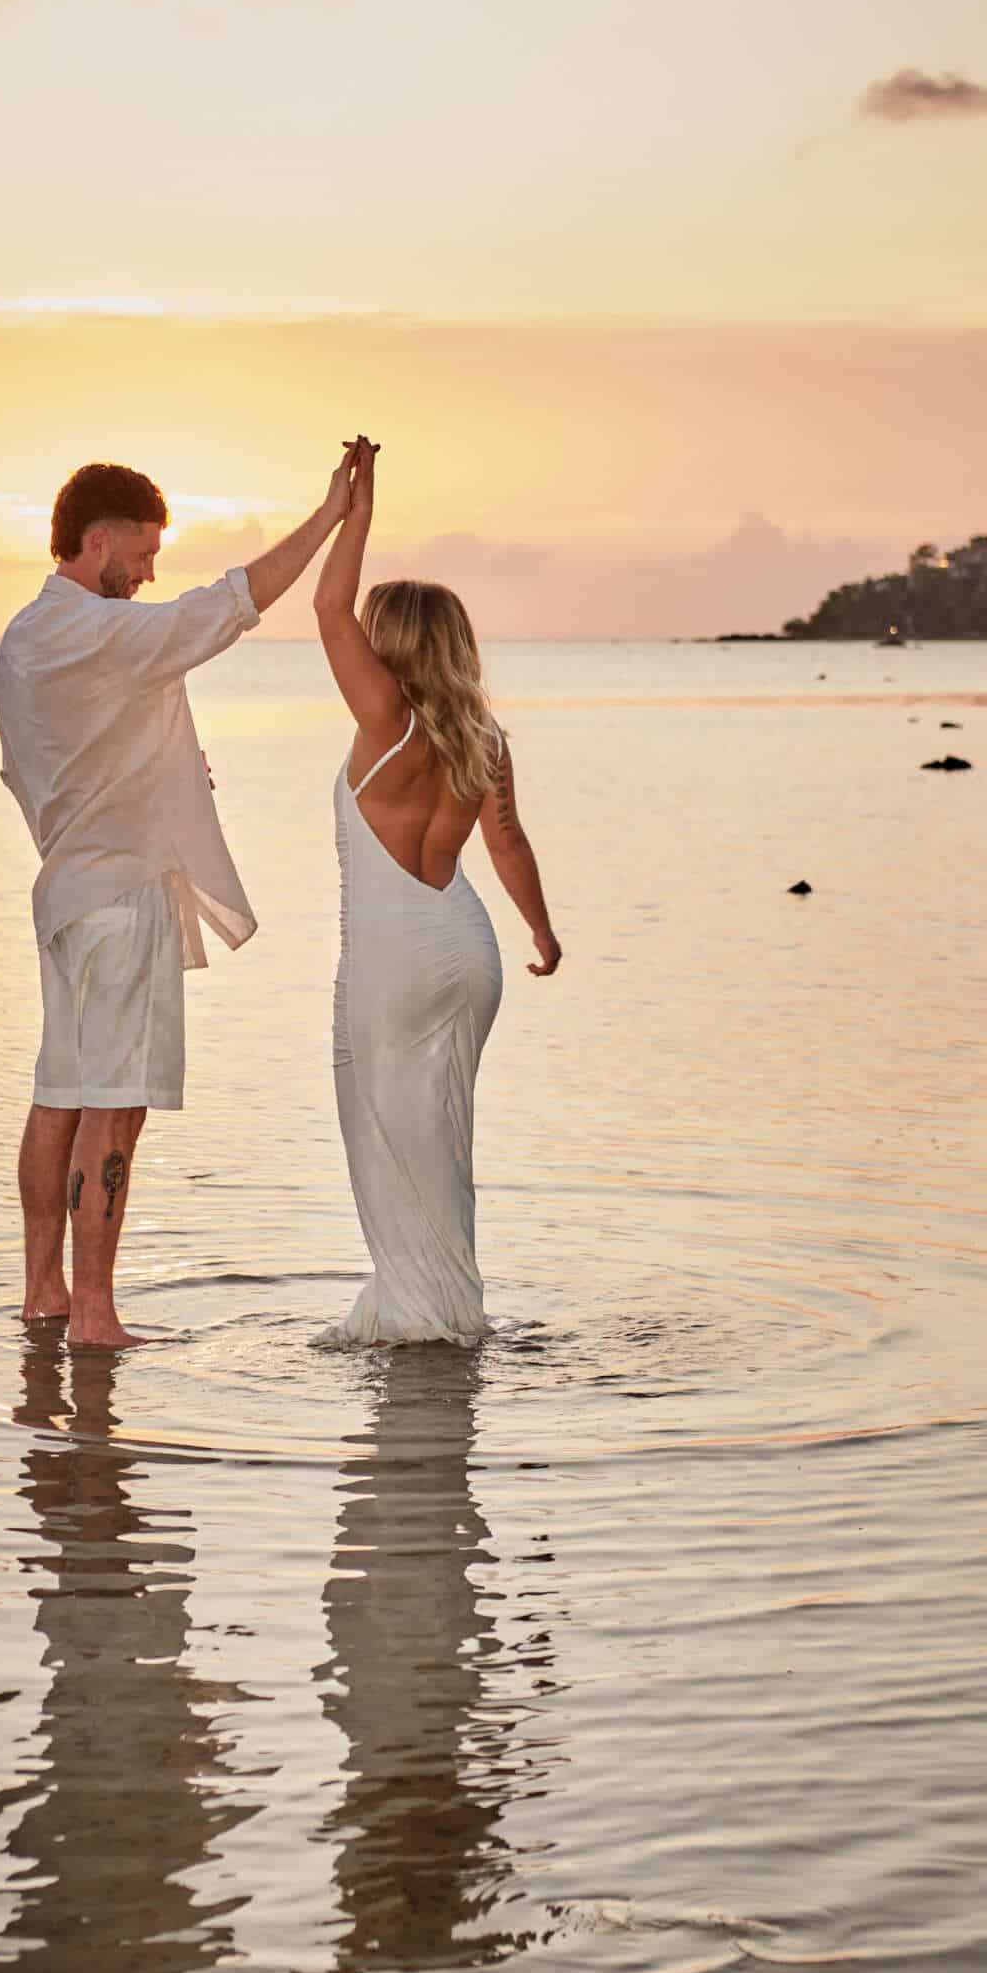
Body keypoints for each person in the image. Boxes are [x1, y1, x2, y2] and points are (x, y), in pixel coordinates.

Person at [0, 447, 368, 1346]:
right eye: (143, 551)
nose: (151, 571)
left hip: (69, 893)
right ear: (95, 541)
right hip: (122, 897)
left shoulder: (27, 639)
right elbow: (232, 603)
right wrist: (329, 519)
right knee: (114, 1103)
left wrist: (153, 774)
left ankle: (45, 1293)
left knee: (61, 1095)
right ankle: (95, 1315)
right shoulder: (101, 633)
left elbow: (43, 766)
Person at [311, 439, 561, 1347]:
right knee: (442, 1147)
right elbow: (507, 841)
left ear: (391, 645)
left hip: (395, 963)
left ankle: (426, 1322)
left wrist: (353, 505)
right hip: (468, 948)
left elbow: (327, 603)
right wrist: (542, 932)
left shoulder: (385, 718)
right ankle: (450, 1308)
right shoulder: (480, 734)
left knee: (391, 1146)